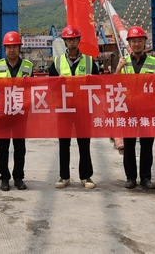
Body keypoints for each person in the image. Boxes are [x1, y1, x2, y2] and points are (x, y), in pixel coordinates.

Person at [49, 25, 100, 190]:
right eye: (68, 39)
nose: (71, 41)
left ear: (79, 40)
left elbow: (98, 83)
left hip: (83, 109)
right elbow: (49, 85)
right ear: (64, 41)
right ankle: (64, 176)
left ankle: (86, 176)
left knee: (84, 143)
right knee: (64, 143)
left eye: (74, 39)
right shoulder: (57, 62)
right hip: (63, 109)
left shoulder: (89, 61)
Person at [116, 26, 155, 190]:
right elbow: (114, 84)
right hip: (128, 110)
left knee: (147, 145)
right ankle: (130, 178)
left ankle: (146, 178)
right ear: (129, 43)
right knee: (129, 145)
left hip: (148, 110)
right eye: (133, 41)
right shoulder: (123, 62)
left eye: (139, 40)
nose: (137, 44)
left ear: (145, 42)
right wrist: (118, 69)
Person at [0, 31, 33, 191]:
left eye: (14, 46)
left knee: (19, 148)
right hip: (2, 114)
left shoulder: (28, 66)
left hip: (20, 114)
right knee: (2, 148)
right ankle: (4, 178)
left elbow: (34, 90)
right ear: (4, 49)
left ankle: (18, 177)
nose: (11, 50)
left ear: (19, 47)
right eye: (8, 47)